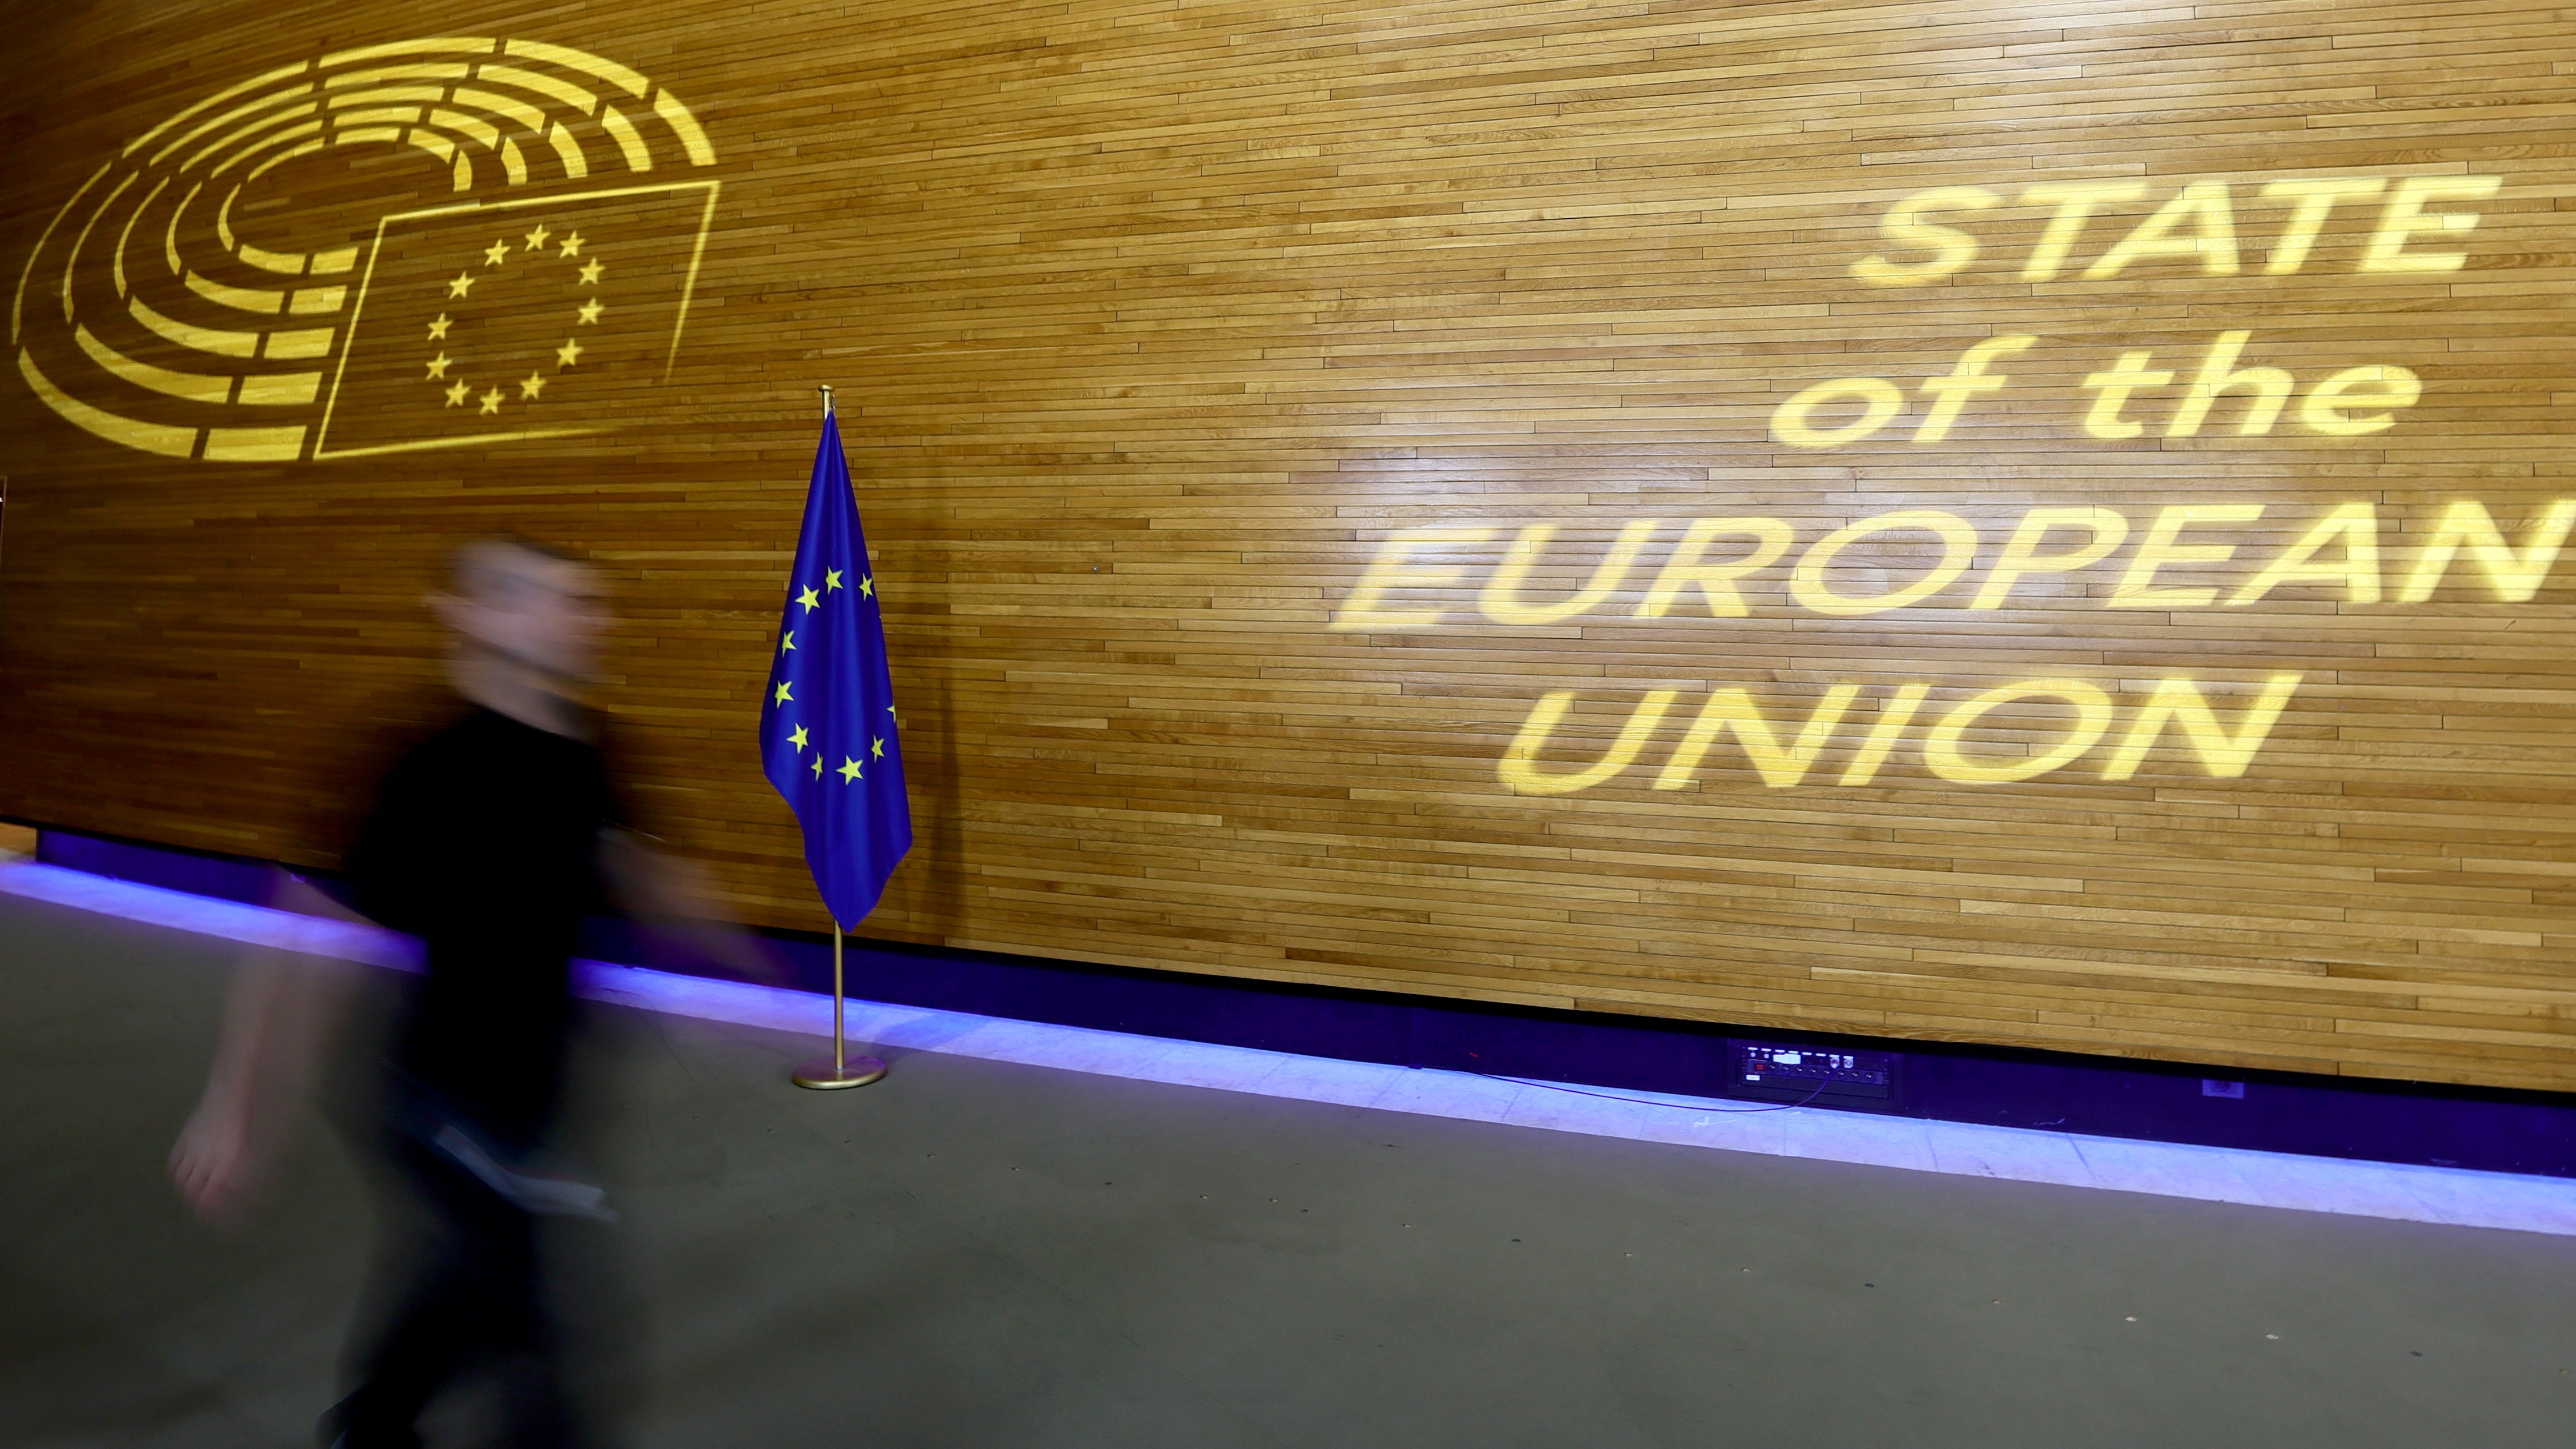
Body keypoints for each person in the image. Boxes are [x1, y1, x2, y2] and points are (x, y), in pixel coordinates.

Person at [170, 536, 773, 1448]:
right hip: (439, 1097)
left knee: (464, 1273)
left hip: (539, 1084)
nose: (592, 620)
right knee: (539, 1329)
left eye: (592, 601)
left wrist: (755, 967)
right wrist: (236, 1104)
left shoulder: (589, 745)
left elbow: (643, 871)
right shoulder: (429, 768)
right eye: (561, 599)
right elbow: (308, 943)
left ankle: (372, 1421)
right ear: (477, 614)